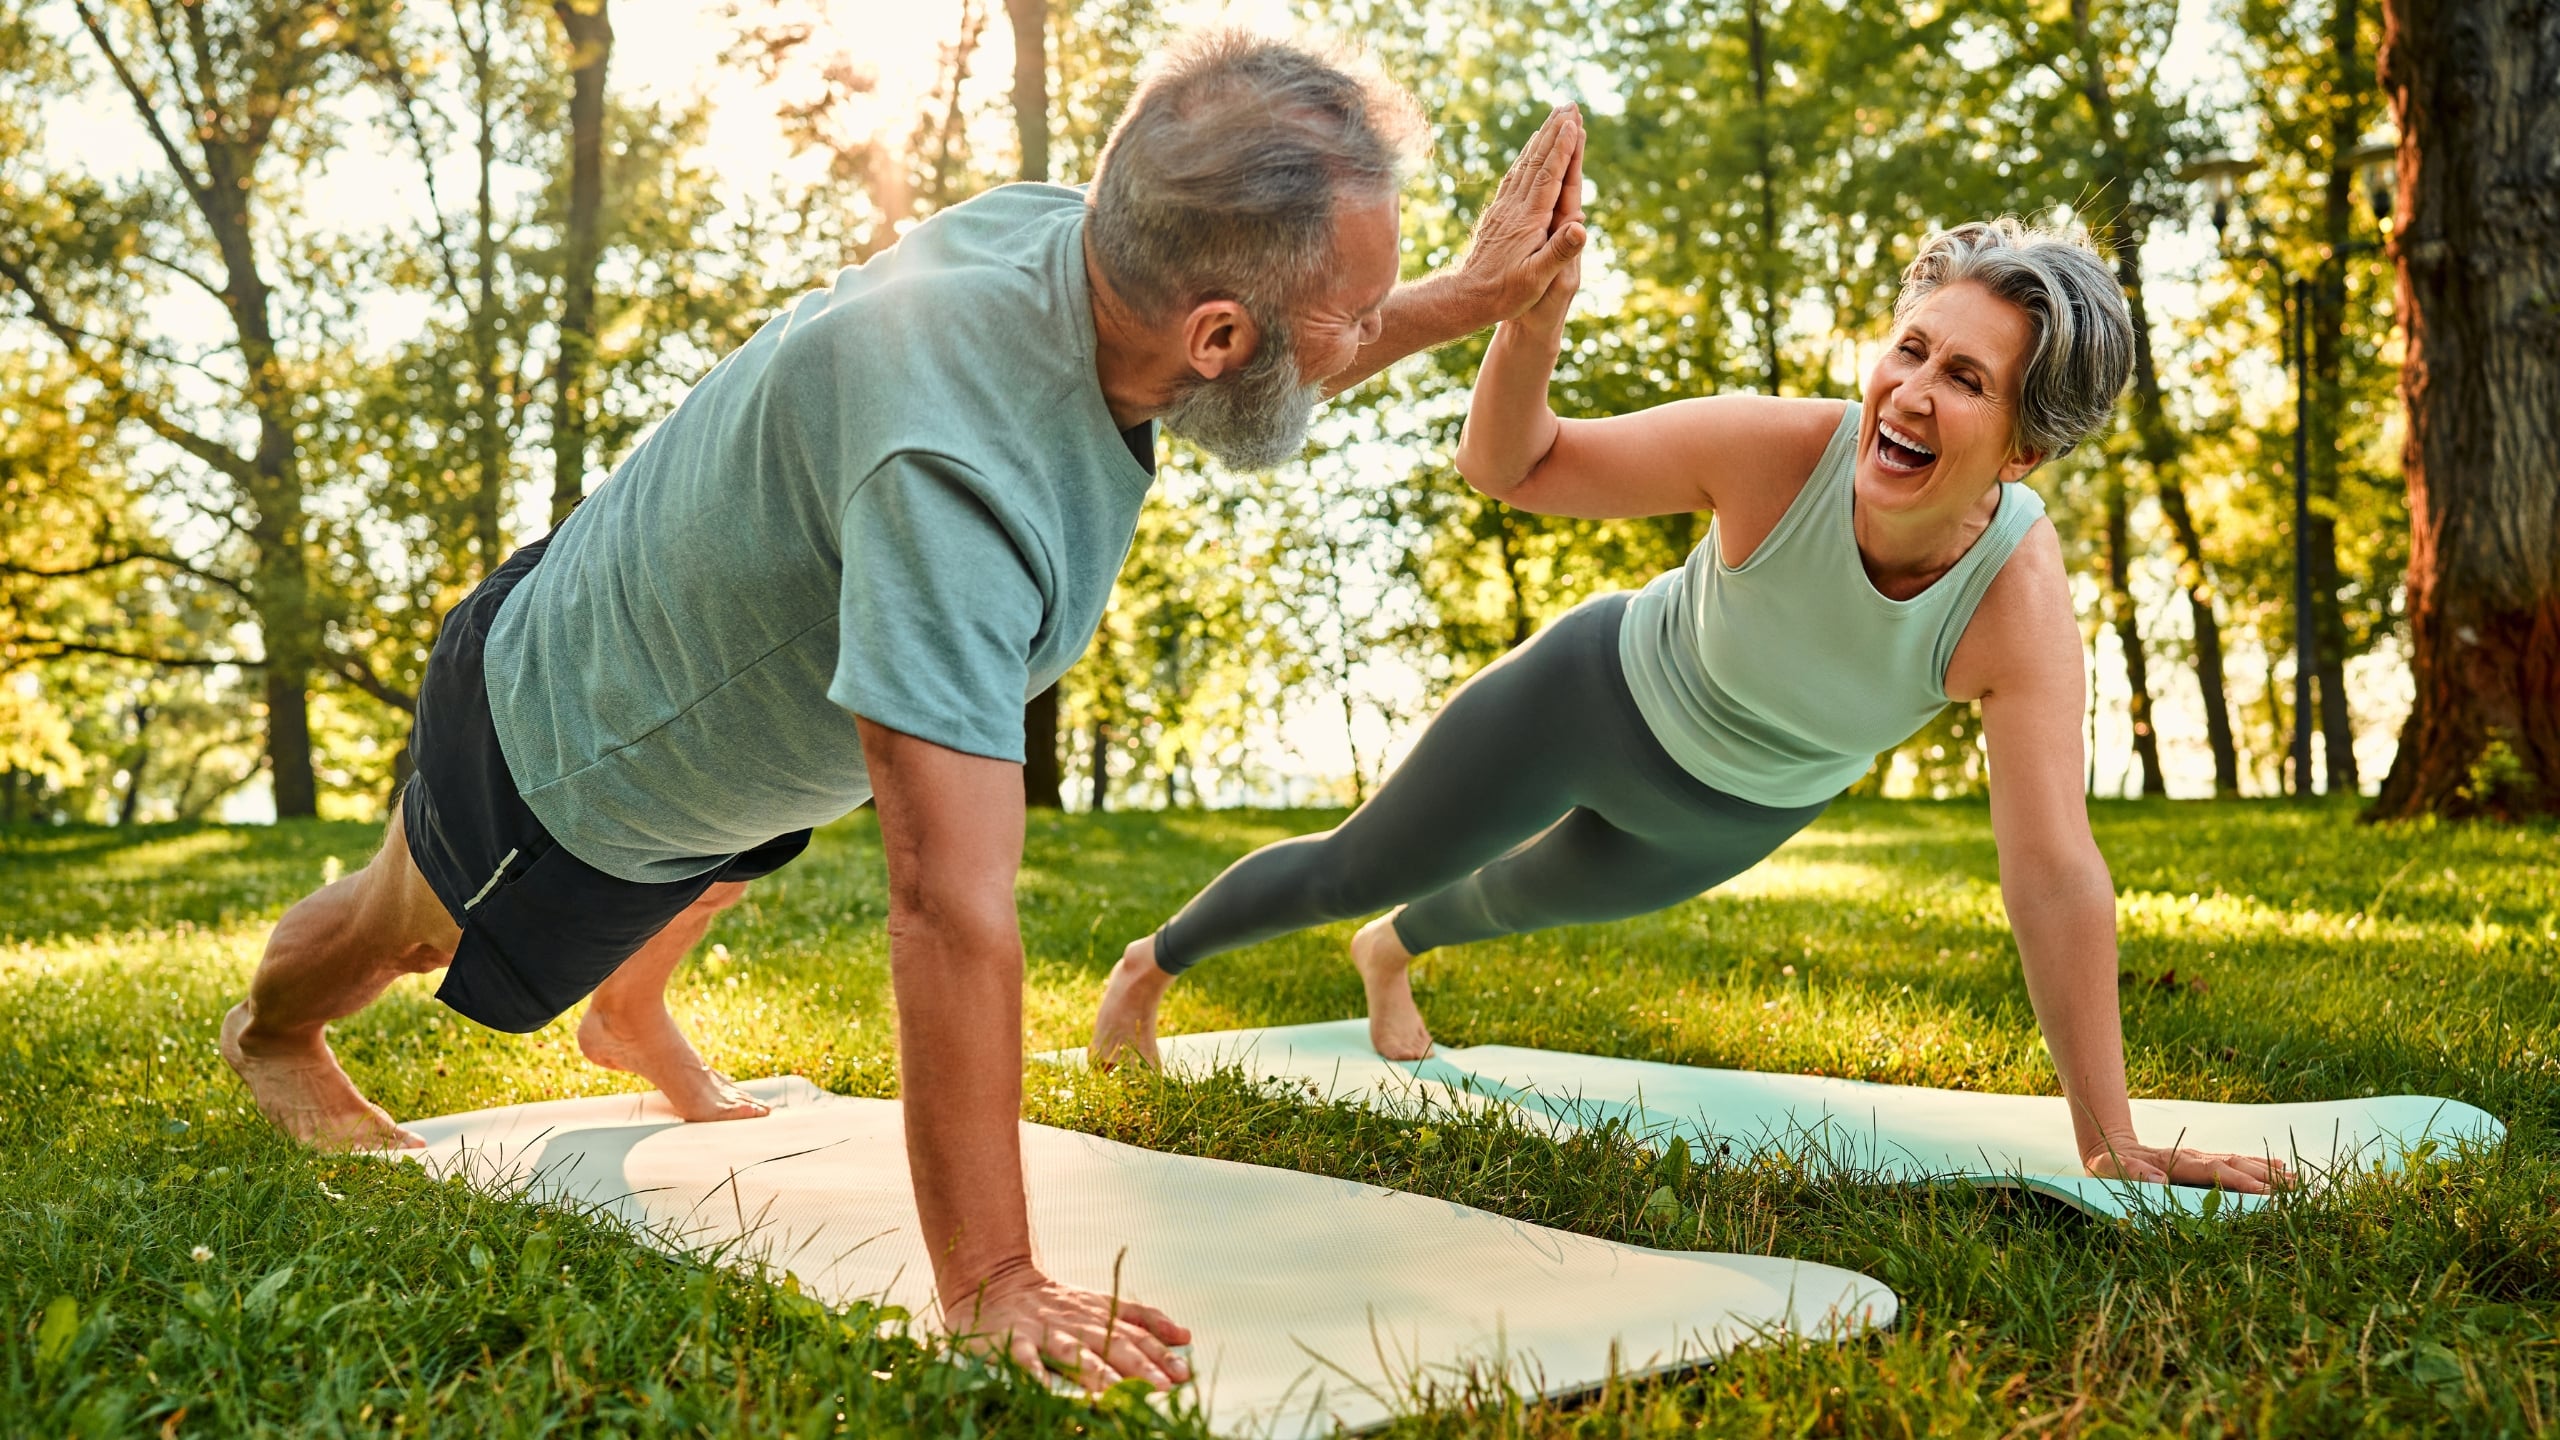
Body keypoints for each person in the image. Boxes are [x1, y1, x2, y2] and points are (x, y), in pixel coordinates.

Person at [218, 31, 1593, 1391]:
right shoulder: (953, 486)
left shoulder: (1085, 241)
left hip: (714, 698)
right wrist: (994, 1280)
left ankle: (627, 1011)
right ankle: (274, 1035)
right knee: (403, 920)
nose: (1366, 334)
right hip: (559, 756)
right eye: (1357, 311)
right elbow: (948, 908)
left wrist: (1477, 297)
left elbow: (1268, 363)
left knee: (735, 852)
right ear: (1214, 333)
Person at [1091, 214, 2295, 1198]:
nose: (1911, 394)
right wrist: (1532, 324)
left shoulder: (2013, 606)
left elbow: (2052, 870)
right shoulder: (1779, 452)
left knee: (1511, 900)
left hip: (1731, 815)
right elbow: (1512, 466)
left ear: (2022, 451)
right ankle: (1150, 967)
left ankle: (1390, 954)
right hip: (1587, 697)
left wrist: (2108, 1138)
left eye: (1966, 379)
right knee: (1355, 865)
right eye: (1911, 350)